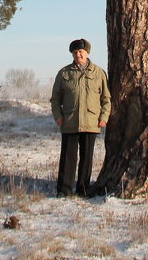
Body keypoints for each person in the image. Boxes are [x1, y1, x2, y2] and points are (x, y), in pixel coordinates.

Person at [50, 38, 111, 197]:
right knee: (68, 158)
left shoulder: (98, 73)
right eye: (75, 52)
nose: (78, 55)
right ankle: (64, 189)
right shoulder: (64, 73)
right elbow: (55, 99)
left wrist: (104, 117)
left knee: (86, 159)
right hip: (70, 121)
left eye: (81, 52)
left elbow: (106, 98)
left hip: (91, 122)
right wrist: (58, 116)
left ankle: (83, 189)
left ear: (87, 53)